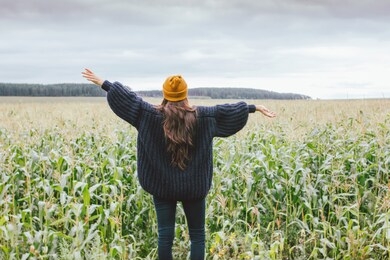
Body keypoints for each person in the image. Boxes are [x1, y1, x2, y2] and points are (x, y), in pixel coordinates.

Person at [82, 68, 276, 260]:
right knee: (197, 236)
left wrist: (103, 83)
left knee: (165, 236)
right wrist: (253, 107)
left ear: (165, 94)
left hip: (162, 187)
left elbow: (129, 99)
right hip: (194, 188)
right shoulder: (204, 117)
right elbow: (227, 111)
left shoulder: (148, 115)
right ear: (185, 94)